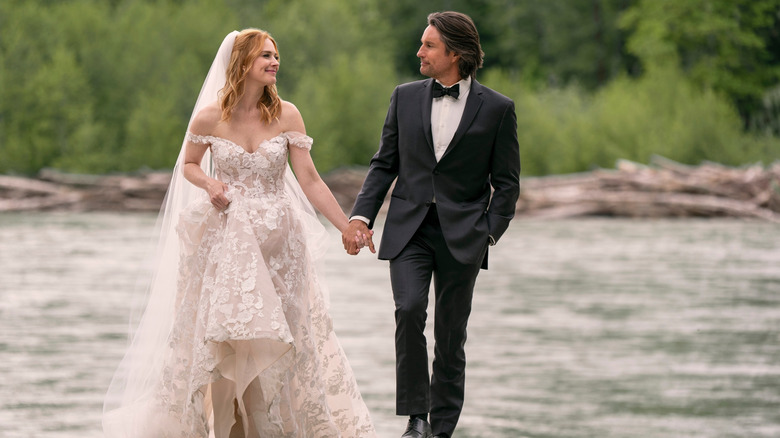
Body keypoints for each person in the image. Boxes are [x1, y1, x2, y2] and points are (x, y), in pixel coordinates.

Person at [103, 29, 377, 438]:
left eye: (276, 55)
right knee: (226, 346)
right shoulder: (209, 117)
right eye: (265, 55)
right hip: (226, 247)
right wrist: (211, 185)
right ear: (241, 63)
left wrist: (347, 226)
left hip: (282, 251)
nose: (274, 62)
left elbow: (310, 179)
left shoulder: (287, 114)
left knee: (284, 343)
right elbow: (190, 165)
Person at [343, 11, 521, 438]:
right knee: (408, 311)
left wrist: (488, 234)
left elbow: (508, 185)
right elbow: (384, 164)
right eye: (422, 43)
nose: (419, 51)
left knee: (450, 336)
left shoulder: (498, 109)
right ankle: (416, 419)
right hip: (409, 230)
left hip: (465, 237)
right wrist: (360, 216)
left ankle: (441, 430)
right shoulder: (404, 97)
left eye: (428, 45)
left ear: (454, 53)